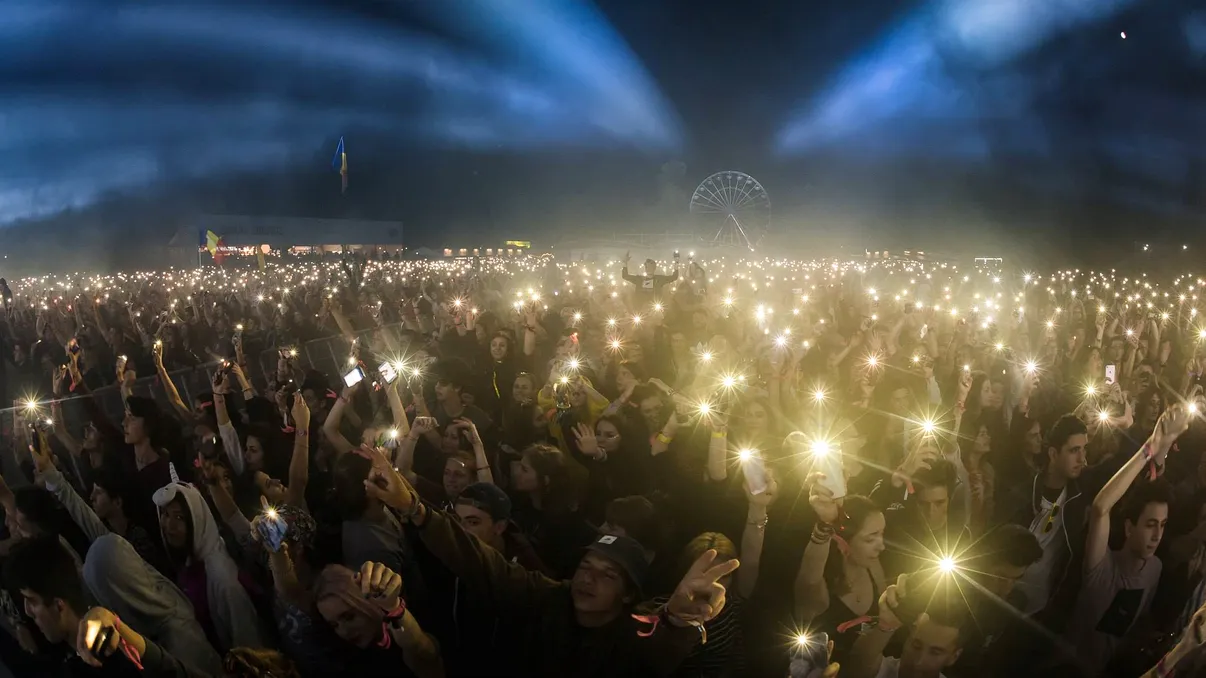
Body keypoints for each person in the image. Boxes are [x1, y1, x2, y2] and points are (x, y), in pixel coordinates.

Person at [357, 445, 738, 676]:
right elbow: (479, 560)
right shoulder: (548, 597)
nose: (588, 579)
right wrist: (412, 507)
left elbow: (659, 644)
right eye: (586, 567)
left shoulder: (630, 634)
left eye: (607, 575)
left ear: (627, 594)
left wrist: (678, 619)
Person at [2, 536, 207, 678]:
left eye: (32, 601)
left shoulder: (109, 658)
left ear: (58, 605)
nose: (27, 611)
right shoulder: (65, 654)